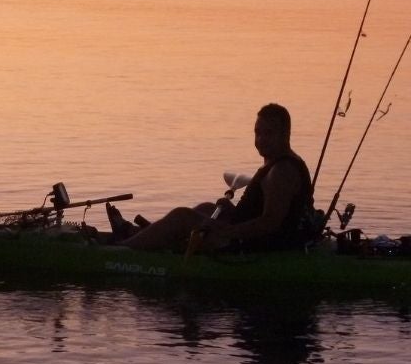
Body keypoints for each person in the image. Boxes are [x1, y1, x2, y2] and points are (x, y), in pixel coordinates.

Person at [110, 103, 315, 253]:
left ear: (285, 134)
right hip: (248, 236)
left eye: (268, 134)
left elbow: (270, 223)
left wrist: (226, 230)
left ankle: (121, 251)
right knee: (208, 208)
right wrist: (232, 212)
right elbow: (258, 213)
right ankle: (139, 236)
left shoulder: (282, 171)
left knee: (182, 216)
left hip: (255, 246)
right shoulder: (276, 161)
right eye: (257, 133)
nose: (260, 140)